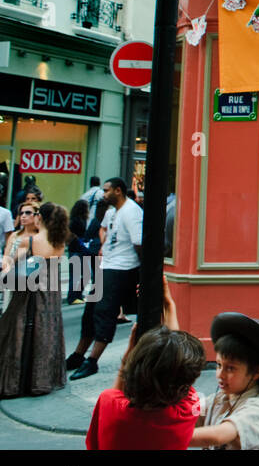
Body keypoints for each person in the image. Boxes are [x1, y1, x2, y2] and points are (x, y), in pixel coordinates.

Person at [86, 282, 205, 450]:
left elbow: (117, 392)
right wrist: (169, 304)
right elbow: (175, 363)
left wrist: (129, 352)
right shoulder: (186, 410)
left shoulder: (111, 406)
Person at [68, 178, 142, 380]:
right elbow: (105, 231)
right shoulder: (111, 212)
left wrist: (141, 272)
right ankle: (78, 354)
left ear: (118, 191)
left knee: (104, 313)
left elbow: (138, 243)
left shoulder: (132, 212)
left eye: (107, 190)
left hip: (121, 269)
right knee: (90, 311)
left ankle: (92, 361)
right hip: (107, 265)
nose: (103, 194)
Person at [190, 312, 259, 450]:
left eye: (230, 368)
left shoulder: (256, 408)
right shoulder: (215, 401)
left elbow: (219, 435)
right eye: (219, 365)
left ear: (257, 371)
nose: (221, 374)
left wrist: (174, 436)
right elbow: (190, 414)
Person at [0, 202, 70, 397]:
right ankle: (40, 381)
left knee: (18, 333)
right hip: (52, 294)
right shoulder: (60, 242)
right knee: (46, 333)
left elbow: (13, 265)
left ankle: (17, 382)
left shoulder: (30, 241)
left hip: (29, 294)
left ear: (41, 217)